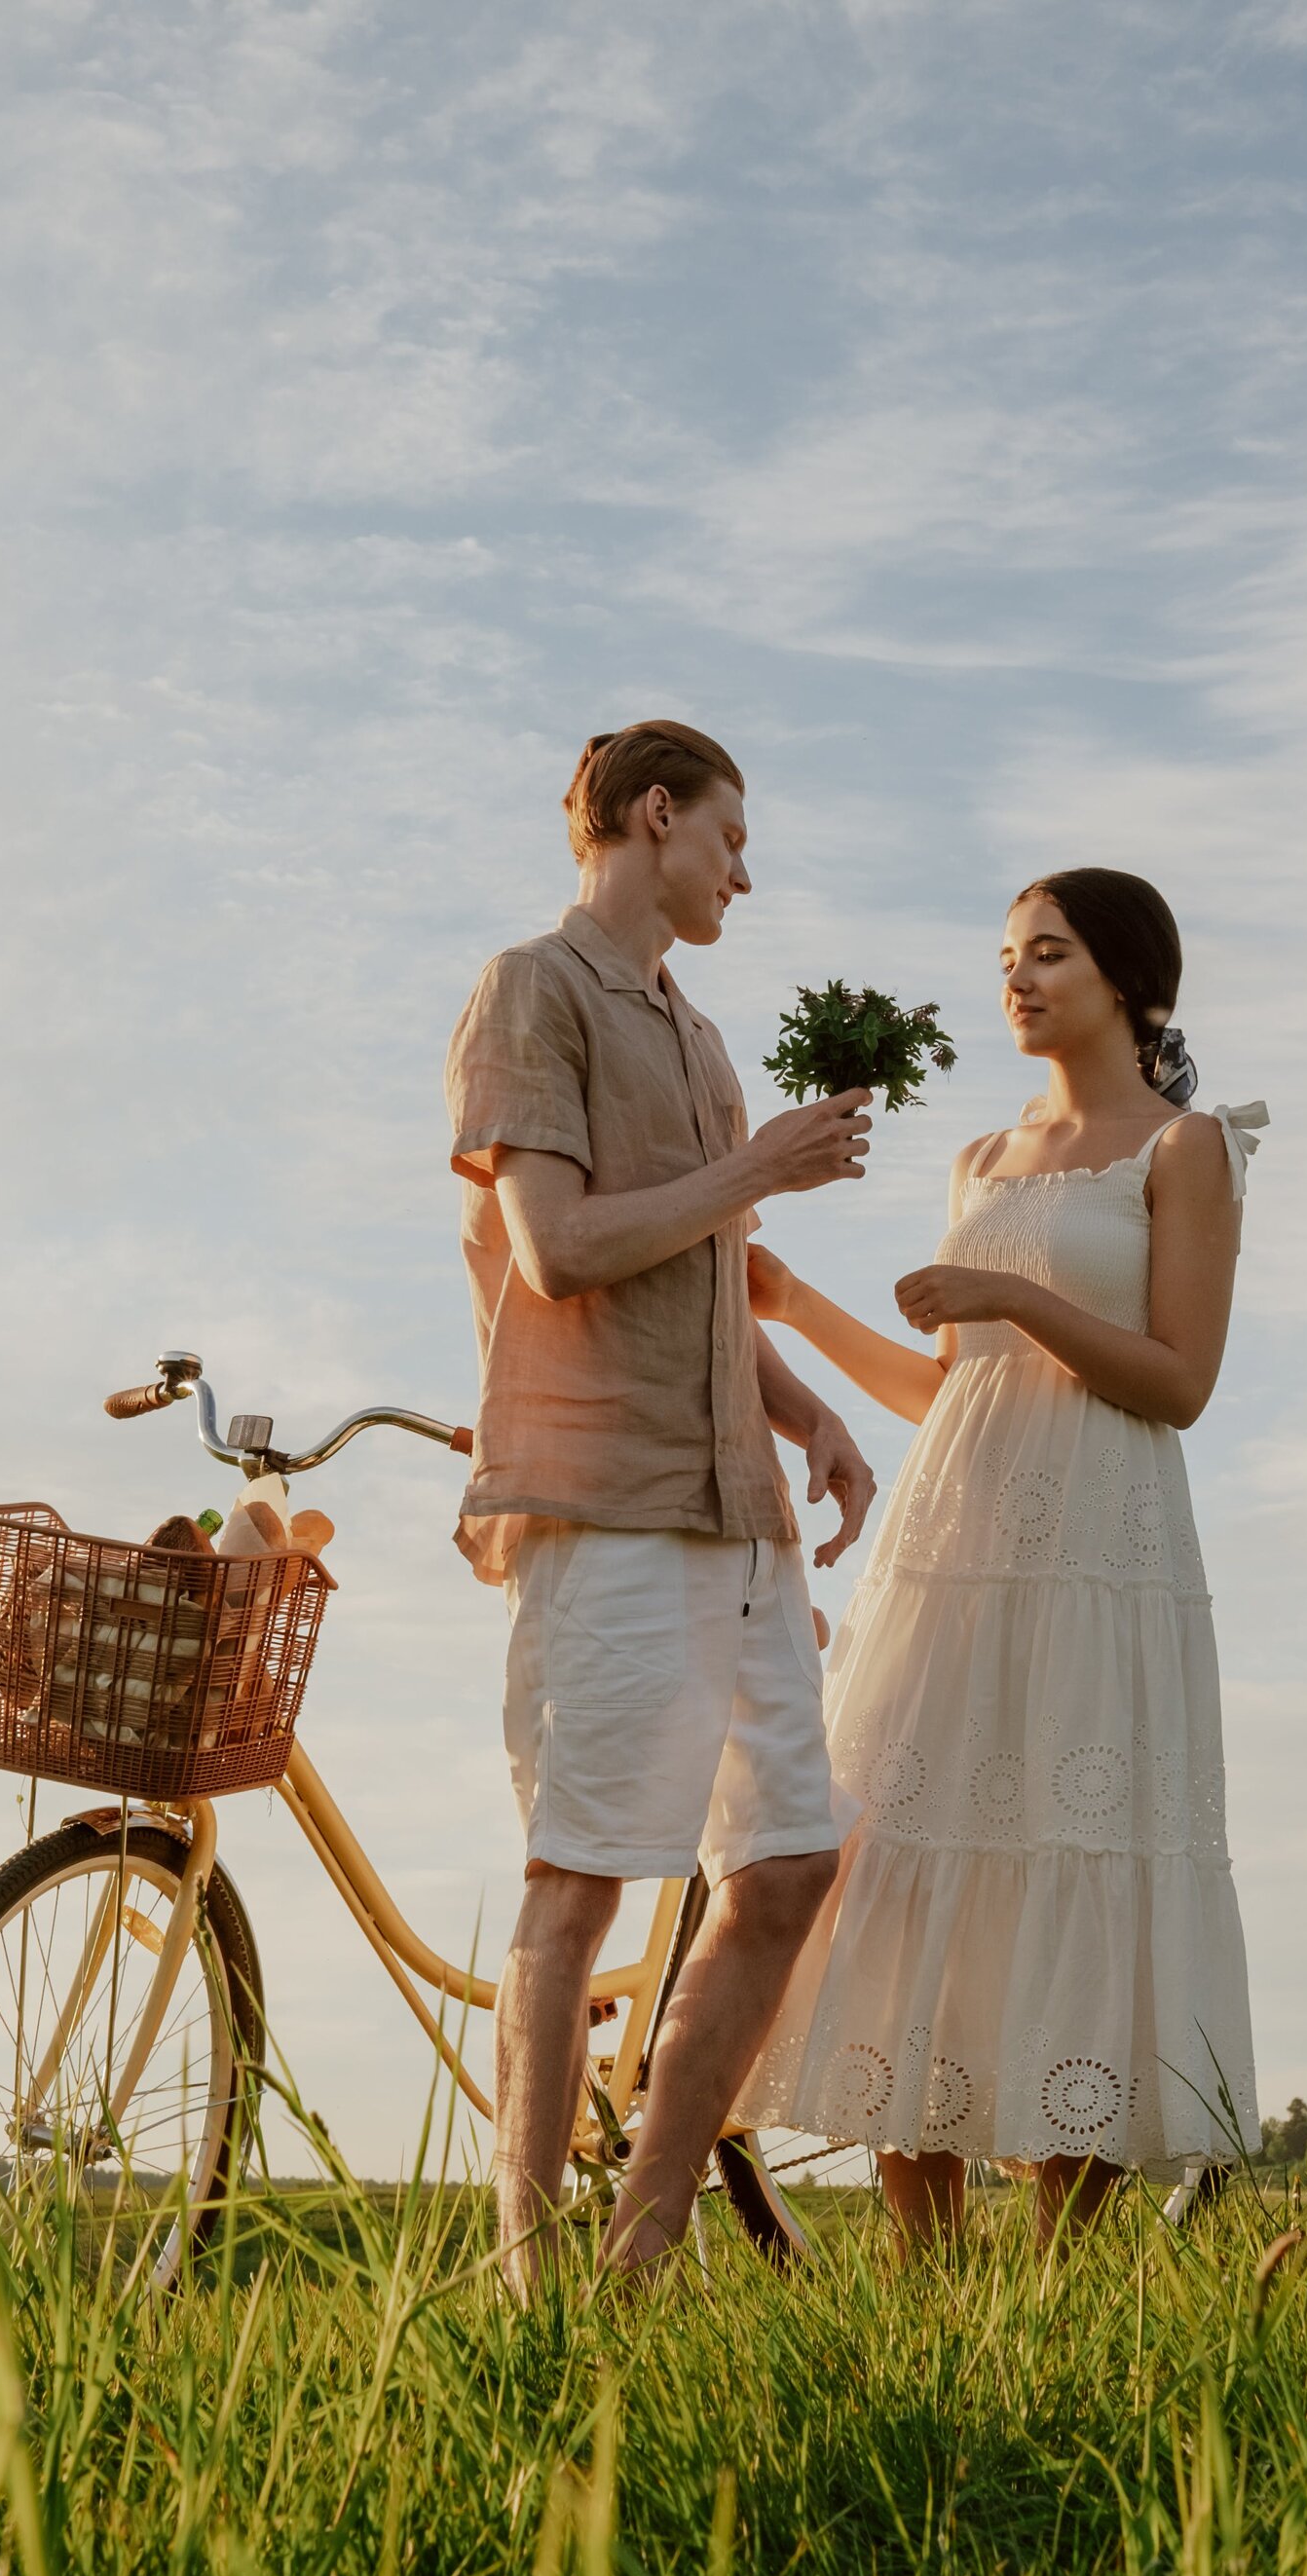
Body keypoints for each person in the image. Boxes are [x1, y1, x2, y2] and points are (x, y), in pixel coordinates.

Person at [742, 868, 1264, 2253]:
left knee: (1072, 1853)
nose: (1018, 979)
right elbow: (950, 1386)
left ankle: (1056, 2286)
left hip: (1102, 1547)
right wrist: (792, 1305)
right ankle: (924, 2277)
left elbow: (1178, 1381)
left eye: (1050, 955)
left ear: (1128, 982)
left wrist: (1013, 1296)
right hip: (958, 1540)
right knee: (911, 1863)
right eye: (1008, 957)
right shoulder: (980, 1159)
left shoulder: (1185, 1149)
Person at [442, 720, 881, 2296]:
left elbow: (696, 1273)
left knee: (788, 1870)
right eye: (729, 840)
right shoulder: (529, 991)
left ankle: (639, 2251)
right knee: (579, 1886)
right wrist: (757, 1173)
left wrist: (814, 1415)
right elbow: (559, 1248)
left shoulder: (700, 1040)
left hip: (740, 1513)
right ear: (651, 816)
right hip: (606, 1497)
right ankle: (528, 2279)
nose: (743, 876)